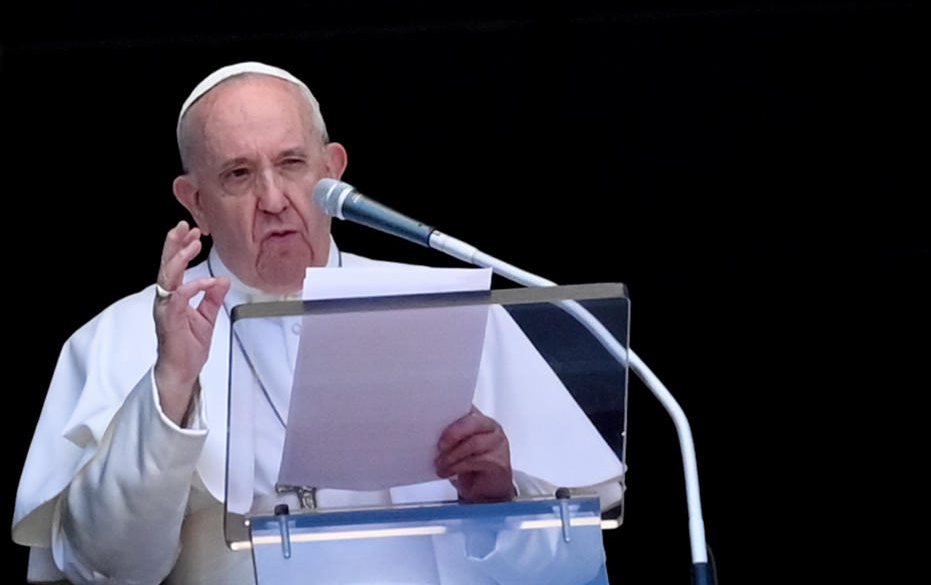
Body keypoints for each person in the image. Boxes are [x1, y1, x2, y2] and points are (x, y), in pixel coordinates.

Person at [12, 62, 623, 584]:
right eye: (239, 175)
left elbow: (573, 566)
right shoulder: (119, 337)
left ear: (331, 170)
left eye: (292, 163)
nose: (274, 199)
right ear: (194, 201)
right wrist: (170, 388)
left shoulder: (441, 306)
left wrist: (499, 501)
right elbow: (106, 567)